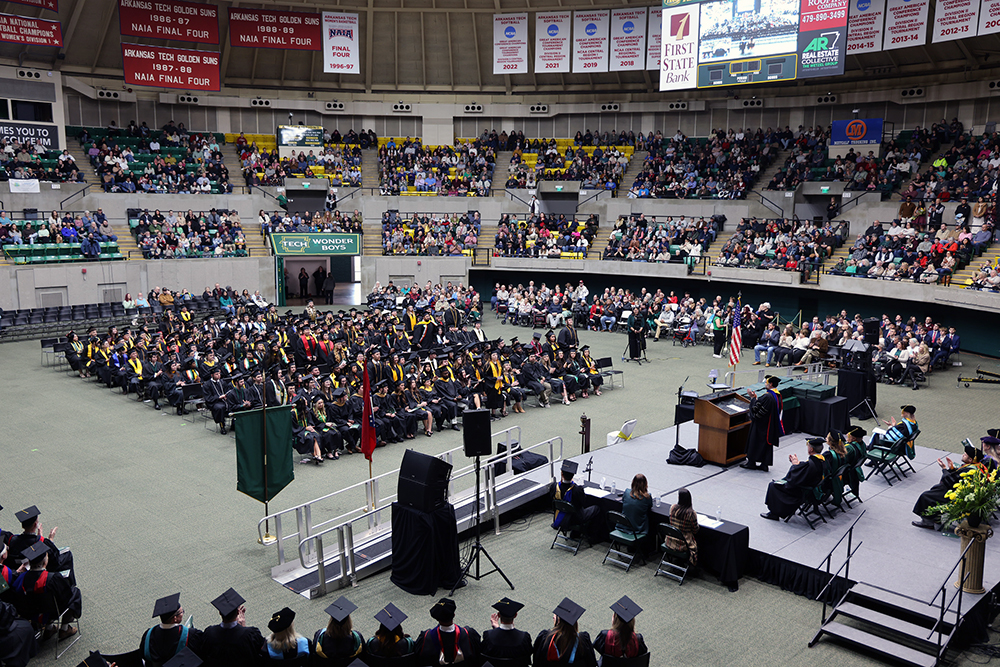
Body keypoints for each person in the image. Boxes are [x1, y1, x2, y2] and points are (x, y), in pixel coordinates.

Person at [12, 542, 81, 642]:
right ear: (45, 561)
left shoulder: (21, 578)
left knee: (44, 601)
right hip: (52, 612)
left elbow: (17, 594)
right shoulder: (52, 578)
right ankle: (65, 629)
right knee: (74, 592)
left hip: (31, 614)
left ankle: (49, 628)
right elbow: (66, 595)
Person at [911, 444, 983, 529]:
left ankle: (928, 522)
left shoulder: (971, 470)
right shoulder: (977, 466)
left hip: (957, 496)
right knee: (935, 489)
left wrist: (944, 469)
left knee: (926, 496)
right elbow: (957, 478)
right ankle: (935, 517)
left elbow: (949, 481)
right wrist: (952, 469)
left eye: (965, 454)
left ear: (970, 459)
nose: (963, 454)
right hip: (958, 491)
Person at [760, 438, 827, 521]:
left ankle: (774, 513)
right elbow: (805, 471)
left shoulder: (811, 464)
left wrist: (794, 466)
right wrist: (797, 464)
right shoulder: (822, 460)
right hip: (812, 488)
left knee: (773, 485)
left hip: (803, 492)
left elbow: (794, 480)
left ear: (811, 449)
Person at [7, 505, 75, 585]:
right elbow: (55, 560)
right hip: (39, 567)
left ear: (22, 526)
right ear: (36, 525)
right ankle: (69, 584)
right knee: (67, 555)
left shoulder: (12, 539)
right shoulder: (42, 542)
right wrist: (50, 540)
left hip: (19, 567)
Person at [199, 588, 264, 667]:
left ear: (220, 612)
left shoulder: (209, 633)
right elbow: (258, 653)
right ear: (238, 612)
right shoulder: (249, 634)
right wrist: (243, 627)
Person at [139, 593, 204, 667]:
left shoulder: (148, 635)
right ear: (175, 618)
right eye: (181, 612)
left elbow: (144, 655)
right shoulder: (191, 635)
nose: (182, 613)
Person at [415, 597, 481, 665]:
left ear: (437, 619)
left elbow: (419, 660)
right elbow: (478, 656)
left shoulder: (426, 638)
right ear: (454, 615)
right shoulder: (469, 634)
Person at [532, 598, 596, 666]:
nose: (553, 617)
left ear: (558, 621)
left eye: (556, 615)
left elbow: (536, 661)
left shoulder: (545, 638)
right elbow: (591, 663)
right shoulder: (582, 640)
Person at [742, 376, 784, 472]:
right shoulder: (777, 395)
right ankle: (764, 464)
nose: (765, 384)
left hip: (761, 425)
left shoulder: (767, 396)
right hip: (769, 424)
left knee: (755, 442)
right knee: (765, 444)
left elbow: (756, 412)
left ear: (771, 384)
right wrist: (756, 398)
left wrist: (752, 399)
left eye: (766, 382)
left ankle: (751, 463)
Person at [551, 460, 601, 541]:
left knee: (572, 508)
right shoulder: (577, 490)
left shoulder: (554, 487)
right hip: (575, 519)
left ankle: (575, 533)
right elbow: (583, 503)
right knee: (596, 508)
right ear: (573, 475)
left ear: (561, 473)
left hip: (559, 516)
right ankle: (593, 537)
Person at [313, 596, 365, 664]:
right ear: (349, 621)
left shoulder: (320, 637)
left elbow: (314, 658)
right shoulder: (357, 639)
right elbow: (364, 658)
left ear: (331, 620)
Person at [480, 597, 532, 665]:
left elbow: (484, 655)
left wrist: (496, 629)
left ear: (498, 615)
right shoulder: (524, 638)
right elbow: (528, 656)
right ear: (515, 615)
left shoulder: (488, 635)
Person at [594, 596, 647, 660]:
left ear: (614, 619)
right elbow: (642, 654)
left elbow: (599, 648)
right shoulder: (638, 639)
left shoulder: (605, 636)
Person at [666, 488, 699, 566]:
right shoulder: (691, 513)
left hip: (670, 542)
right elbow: (695, 530)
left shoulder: (672, 508)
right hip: (684, 545)